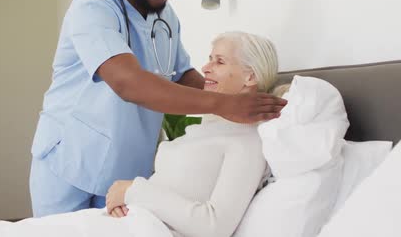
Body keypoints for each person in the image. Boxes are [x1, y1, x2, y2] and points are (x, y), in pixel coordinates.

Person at [29, 0, 287, 217]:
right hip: (69, 159)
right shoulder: (93, 8)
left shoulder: (165, 19)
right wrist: (225, 103)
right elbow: (129, 83)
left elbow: (181, 76)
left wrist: (243, 95)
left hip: (124, 169)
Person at [105, 32, 279, 237]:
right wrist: (127, 199)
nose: (205, 68)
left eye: (220, 62)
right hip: (131, 223)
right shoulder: (210, 127)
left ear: (250, 76)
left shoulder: (248, 141)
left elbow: (214, 227)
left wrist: (133, 191)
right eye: (209, 59)